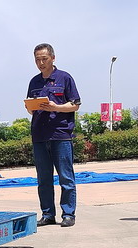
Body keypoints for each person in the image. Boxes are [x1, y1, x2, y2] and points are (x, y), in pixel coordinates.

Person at [26, 43, 81, 227]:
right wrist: (30, 107)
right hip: (39, 135)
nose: (41, 63)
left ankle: (68, 214)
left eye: (44, 59)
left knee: (66, 177)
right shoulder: (34, 82)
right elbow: (31, 109)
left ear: (53, 58)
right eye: (37, 60)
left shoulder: (64, 78)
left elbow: (75, 104)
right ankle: (48, 214)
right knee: (43, 179)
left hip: (60, 134)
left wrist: (55, 107)